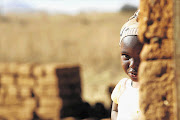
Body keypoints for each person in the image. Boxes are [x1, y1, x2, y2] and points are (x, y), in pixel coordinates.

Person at [111, 10, 143, 120]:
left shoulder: (154, 89)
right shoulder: (122, 87)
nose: (133, 65)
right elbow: (115, 109)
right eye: (126, 56)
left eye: (140, 58)